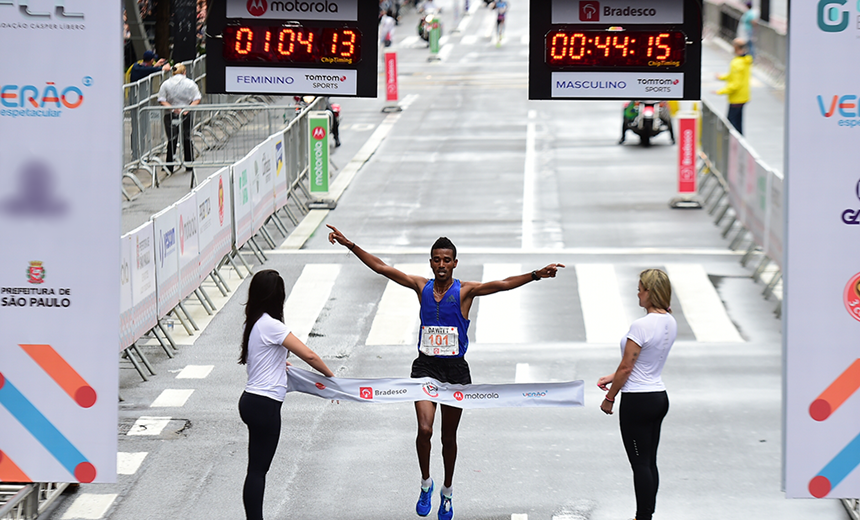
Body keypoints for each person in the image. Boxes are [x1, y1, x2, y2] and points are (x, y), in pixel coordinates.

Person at [326, 225, 564, 520]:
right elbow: (382, 268)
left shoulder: (465, 291)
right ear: (431, 262)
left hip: (455, 371)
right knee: (424, 430)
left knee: (447, 437)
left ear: (454, 263)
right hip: (425, 367)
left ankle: (447, 492)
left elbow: (502, 283)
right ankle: (426, 483)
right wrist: (350, 244)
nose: (441, 265)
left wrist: (536, 275)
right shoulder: (420, 286)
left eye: (446, 260)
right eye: (436, 260)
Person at [238, 269, 335, 520]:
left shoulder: (255, 323)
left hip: (250, 400)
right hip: (265, 405)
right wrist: (334, 380)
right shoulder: (273, 326)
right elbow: (310, 355)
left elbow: (263, 359)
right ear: (277, 297)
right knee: (259, 471)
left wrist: (282, 365)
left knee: (254, 470)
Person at [597, 269, 676, 520]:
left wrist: (610, 397)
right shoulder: (669, 322)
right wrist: (613, 377)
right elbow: (645, 361)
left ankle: (642, 517)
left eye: (641, 288)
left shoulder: (641, 326)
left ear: (651, 292)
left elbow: (627, 366)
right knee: (650, 461)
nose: (638, 293)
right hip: (658, 396)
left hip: (637, 401)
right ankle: (647, 514)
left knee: (640, 463)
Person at [157, 63, 201, 175]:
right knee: (186, 137)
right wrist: (187, 109)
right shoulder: (191, 84)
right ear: (184, 72)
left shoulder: (166, 84)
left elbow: (161, 99)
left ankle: (169, 165)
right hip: (186, 113)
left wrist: (173, 108)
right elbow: (197, 98)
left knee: (171, 139)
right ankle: (189, 163)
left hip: (170, 114)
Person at [715, 38, 752, 135]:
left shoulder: (736, 63)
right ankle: (740, 144)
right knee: (738, 123)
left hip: (736, 97)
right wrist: (722, 77)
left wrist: (720, 91)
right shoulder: (745, 60)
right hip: (743, 96)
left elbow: (735, 84)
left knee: (731, 124)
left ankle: (735, 146)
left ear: (735, 47)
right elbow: (735, 76)